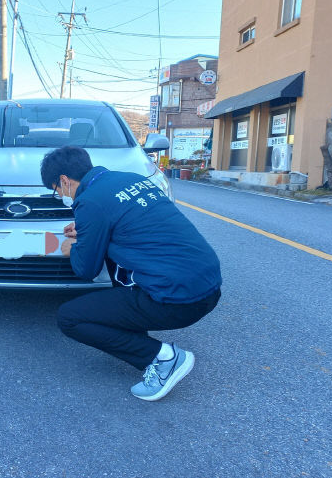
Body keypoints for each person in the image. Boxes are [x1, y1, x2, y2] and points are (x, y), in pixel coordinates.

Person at [40, 146, 222, 401]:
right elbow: (134, 227)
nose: (60, 195)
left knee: (70, 318)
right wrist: (89, 230)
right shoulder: (131, 180)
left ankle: (162, 358)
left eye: (56, 190)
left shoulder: (89, 201)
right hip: (209, 287)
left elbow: (86, 270)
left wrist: (73, 247)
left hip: (179, 300)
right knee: (119, 272)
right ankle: (151, 349)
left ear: (63, 180)